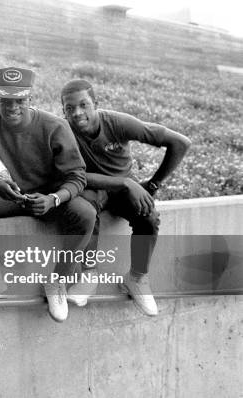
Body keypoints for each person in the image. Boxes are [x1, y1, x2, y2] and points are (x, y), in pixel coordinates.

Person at [0, 67, 96, 322]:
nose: (12, 107)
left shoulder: (54, 126)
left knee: (85, 214)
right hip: (7, 196)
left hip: (46, 200)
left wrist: (54, 198)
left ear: (30, 99)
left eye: (20, 101)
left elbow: (77, 176)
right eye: (5, 101)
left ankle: (58, 281)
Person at [61, 78, 191, 316]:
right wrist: (125, 182)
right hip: (94, 189)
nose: (77, 113)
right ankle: (89, 274)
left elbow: (180, 142)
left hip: (123, 192)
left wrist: (152, 185)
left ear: (96, 104)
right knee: (85, 208)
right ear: (63, 111)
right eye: (70, 108)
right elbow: (72, 176)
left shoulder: (119, 123)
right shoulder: (63, 132)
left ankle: (137, 278)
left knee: (149, 217)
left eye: (83, 105)